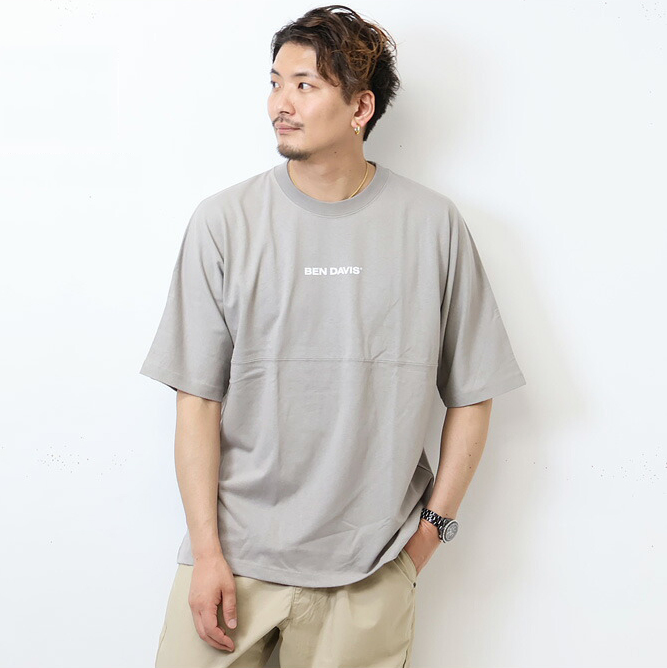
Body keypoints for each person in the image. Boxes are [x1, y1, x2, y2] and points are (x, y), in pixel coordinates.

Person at [140, 5, 527, 667]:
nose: (280, 104)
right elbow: (197, 400)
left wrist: (427, 538)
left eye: (305, 85)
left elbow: (474, 391)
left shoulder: (432, 226)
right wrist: (205, 552)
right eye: (275, 83)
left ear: (360, 107)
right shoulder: (224, 223)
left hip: (371, 570)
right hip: (233, 563)